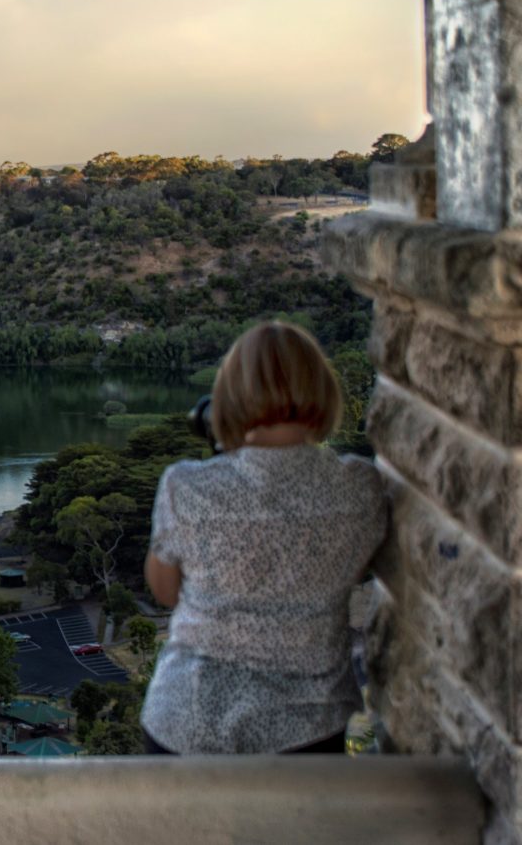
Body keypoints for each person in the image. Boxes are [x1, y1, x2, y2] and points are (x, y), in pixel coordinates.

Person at [140, 321, 386, 754]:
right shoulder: (360, 486)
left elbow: (165, 592)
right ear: (322, 391)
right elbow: (358, 566)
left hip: (189, 720)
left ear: (227, 399)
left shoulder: (186, 485)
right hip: (308, 724)